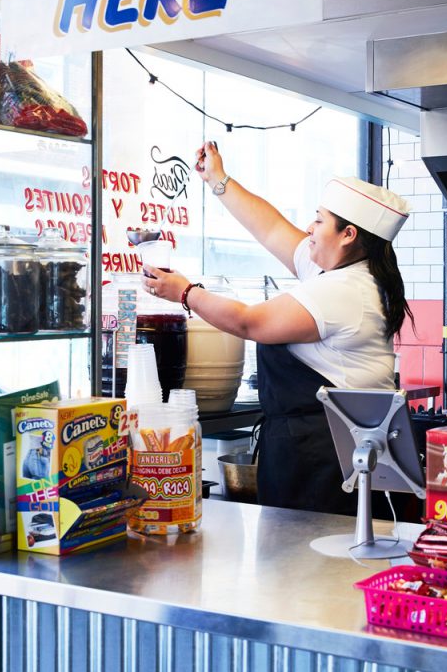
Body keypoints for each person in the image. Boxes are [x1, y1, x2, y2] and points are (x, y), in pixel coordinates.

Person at [143, 141, 413, 514]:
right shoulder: (339, 270)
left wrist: (186, 293)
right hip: (311, 451)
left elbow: (247, 321)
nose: (309, 227)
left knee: (321, 566)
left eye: (319, 220)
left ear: (348, 234)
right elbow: (270, 228)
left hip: (330, 463)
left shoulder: (346, 290)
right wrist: (219, 180)